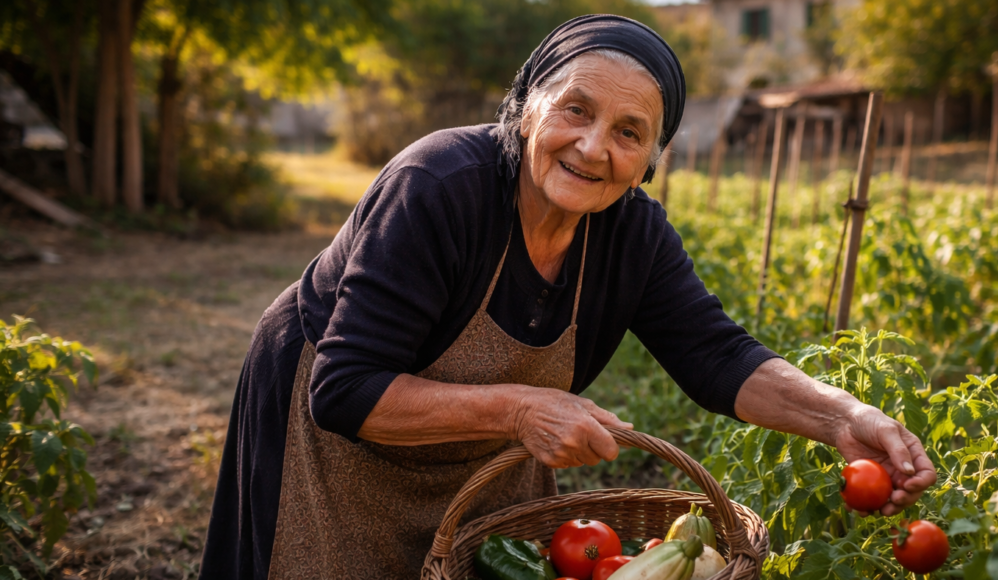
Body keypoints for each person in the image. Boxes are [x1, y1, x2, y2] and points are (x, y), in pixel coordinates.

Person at [200, 14, 937, 580]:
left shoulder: (632, 234)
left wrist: (843, 417)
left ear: (652, 158)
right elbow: (346, 390)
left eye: (629, 131)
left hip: (480, 458)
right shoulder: (438, 188)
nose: (593, 148)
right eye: (574, 111)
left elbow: (715, 354)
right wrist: (521, 407)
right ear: (525, 109)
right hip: (335, 451)